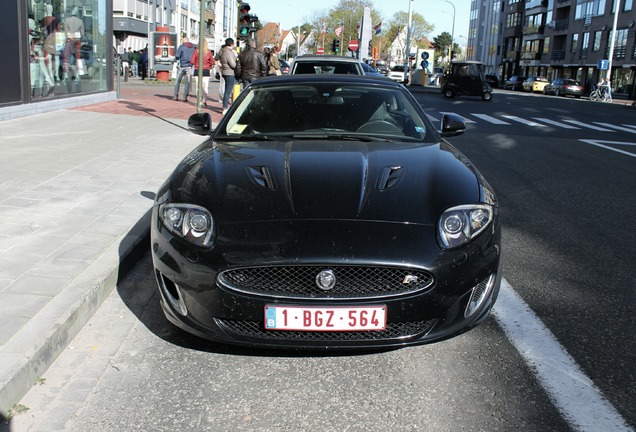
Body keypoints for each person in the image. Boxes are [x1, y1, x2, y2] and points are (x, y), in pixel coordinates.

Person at [190, 38, 214, 107]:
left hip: (197, 70)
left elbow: (192, 61)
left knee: (198, 86)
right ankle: (205, 101)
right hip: (206, 70)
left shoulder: (196, 51)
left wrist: (196, 63)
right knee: (205, 86)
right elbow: (212, 61)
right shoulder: (208, 52)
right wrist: (209, 65)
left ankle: (199, 101)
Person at [173, 36, 196, 102]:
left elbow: (177, 56)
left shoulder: (181, 47)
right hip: (189, 66)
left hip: (182, 66)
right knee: (187, 82)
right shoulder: (193, 48)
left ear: (183, 41)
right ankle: (185, 97)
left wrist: (178, 59)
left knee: (177, 81)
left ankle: (175, 96)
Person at [220, 38, 238, 115]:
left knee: (227, 90)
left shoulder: (223, 51)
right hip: (230, 72)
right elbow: (233, 64)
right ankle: (225, 108)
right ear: (231, 44)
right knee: (228, 91)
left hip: (225, 71)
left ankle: (225, 106)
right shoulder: (229, 52)